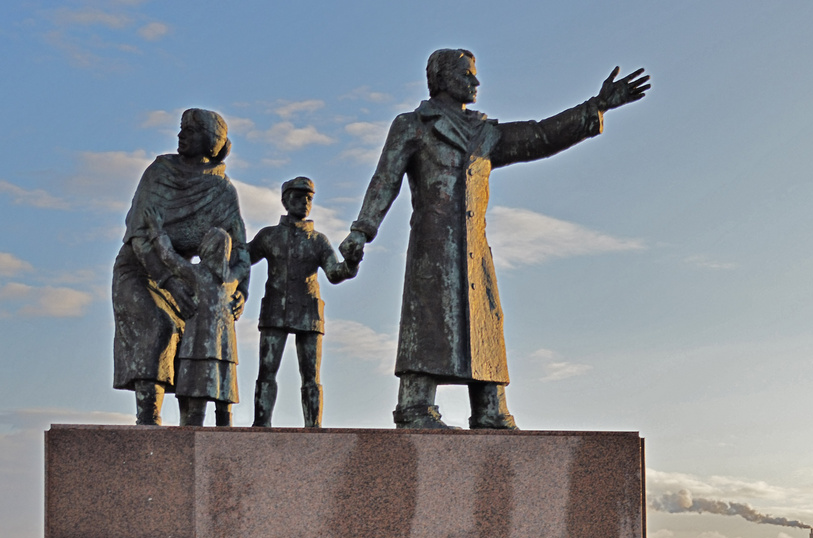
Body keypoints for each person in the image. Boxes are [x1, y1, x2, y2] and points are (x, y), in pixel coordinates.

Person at [340, 49, 649, 429]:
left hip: (473, 248)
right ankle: (415, 405)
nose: (476, 82)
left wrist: (596, 106)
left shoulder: (484, 133)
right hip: (433, 247)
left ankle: (490, 408)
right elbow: (384, 179)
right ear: (443, 79)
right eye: (468, 74)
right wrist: (361, 230)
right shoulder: (413, 125)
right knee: (430, 319)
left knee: (484, 319)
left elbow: (538, 135)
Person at [111, 109, 250, 425]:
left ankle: (191, 431)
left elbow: (240, 251)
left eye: (190, 130)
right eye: (181, 128)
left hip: (188, 279)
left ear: (210, 141)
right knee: (160, 326)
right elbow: (140, 235)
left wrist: (238, 289)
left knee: (197, 341)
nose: (181, 135)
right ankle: (148, 419)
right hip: (141, 270)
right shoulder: (158, 173)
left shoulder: (222, 191)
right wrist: (168, 281)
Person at [246, 177, 359, 427]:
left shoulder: (318, 240)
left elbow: (334, 273)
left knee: (311, 376)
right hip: (275, 311)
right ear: (285, 200)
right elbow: (242, 259)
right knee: (266, 372)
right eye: (298, 197)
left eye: (309, 198)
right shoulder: (269, 236)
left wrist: (351, 263)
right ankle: (260, 426)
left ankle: (313, 427)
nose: (305, 202)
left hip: (309, 313)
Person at [152, 227, 242, 426]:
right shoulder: (232, 280)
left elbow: (170, 258)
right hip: (225, 354)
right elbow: (244, 260)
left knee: (195, 409)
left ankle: (190, 450)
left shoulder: (198, 274)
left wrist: (159, 235)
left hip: (198, 351)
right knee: (224, 410)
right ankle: (227, 450)